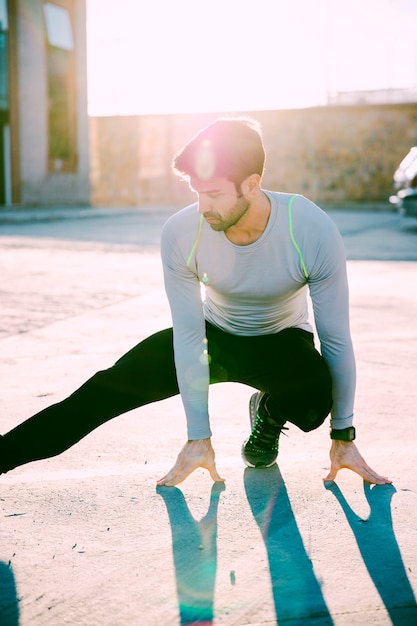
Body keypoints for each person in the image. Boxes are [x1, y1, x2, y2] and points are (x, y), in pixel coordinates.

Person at [0, 117, 390, 487]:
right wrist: (197, 436)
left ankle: (269, 413)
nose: (203, 207)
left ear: (251, 184)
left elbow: (336, 339)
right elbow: (188, 337)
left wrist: (344, 435)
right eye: (197, 192)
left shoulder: (309, 228)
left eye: (215, 193)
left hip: (282, 342)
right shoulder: (182, 232)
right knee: (103, 391)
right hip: (211, 337)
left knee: (316, 396)